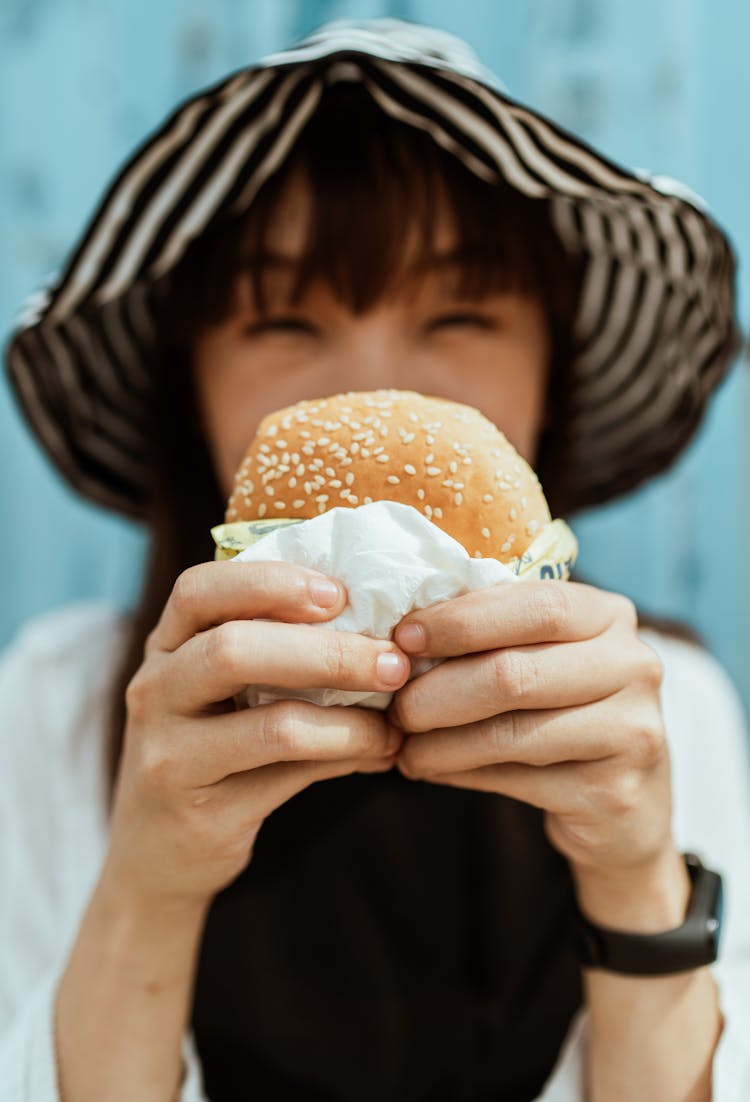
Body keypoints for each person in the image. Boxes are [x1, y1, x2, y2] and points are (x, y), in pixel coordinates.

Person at [1, 17, 749, 1102]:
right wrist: (148, 884)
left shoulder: (662, 709)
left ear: (554, 376)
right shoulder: (61, 706)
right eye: (281, 319)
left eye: (460, 312)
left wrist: (635, 876)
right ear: (189, 385)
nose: (371, 387)